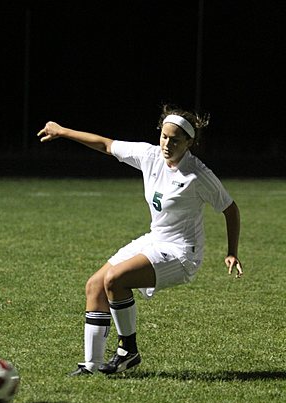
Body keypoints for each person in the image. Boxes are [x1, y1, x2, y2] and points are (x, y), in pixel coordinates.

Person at [37, 104, 243, 376]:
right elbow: (106, 145)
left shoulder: (198, 175)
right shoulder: (150, 155)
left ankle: (128, 351)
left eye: (175, 140)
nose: (167, 144)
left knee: (115, 280)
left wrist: (232, 252)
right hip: (155, 240)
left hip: (182, 254)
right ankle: (92, 365)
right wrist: (62, 131)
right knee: (95, 285)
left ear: (189, 142)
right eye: (164, 136)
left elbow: (230, 209)